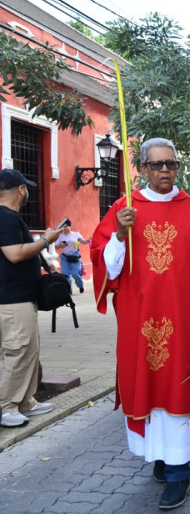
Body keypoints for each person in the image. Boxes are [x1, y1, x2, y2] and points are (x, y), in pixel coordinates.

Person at [90, 138, 190, 510]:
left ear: (177, 167)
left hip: (181, 321)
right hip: (139, 321)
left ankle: (179, 471)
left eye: (171, 164)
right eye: (156, 165)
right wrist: (120, 233)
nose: (165, 170)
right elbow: (107, 267)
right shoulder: (125, 208)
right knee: (146, 387)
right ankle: (161, 457)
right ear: (144, 169)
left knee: (177, 389)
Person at [0, 169, 61, 428]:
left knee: (28, 351)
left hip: (18, 298)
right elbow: (14, 254)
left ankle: (26, 401)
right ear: (21, 190)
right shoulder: (5, 218)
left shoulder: (9, 218)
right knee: (18, 351)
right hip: (12, 301)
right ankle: (7, 406)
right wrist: (46, 240)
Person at [54, 219, 89, 294]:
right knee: (66, 275)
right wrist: (61, 245)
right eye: (63, 227)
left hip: (75, 256)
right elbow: (56, 246)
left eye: (66, 226)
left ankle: (80, 286)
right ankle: (69, 290)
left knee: (76, 274)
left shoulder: (76, 234)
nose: (64, 228)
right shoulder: (61, 237)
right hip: (65, 258)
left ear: (70, 227)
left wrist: (88, 240)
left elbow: (83, 242)